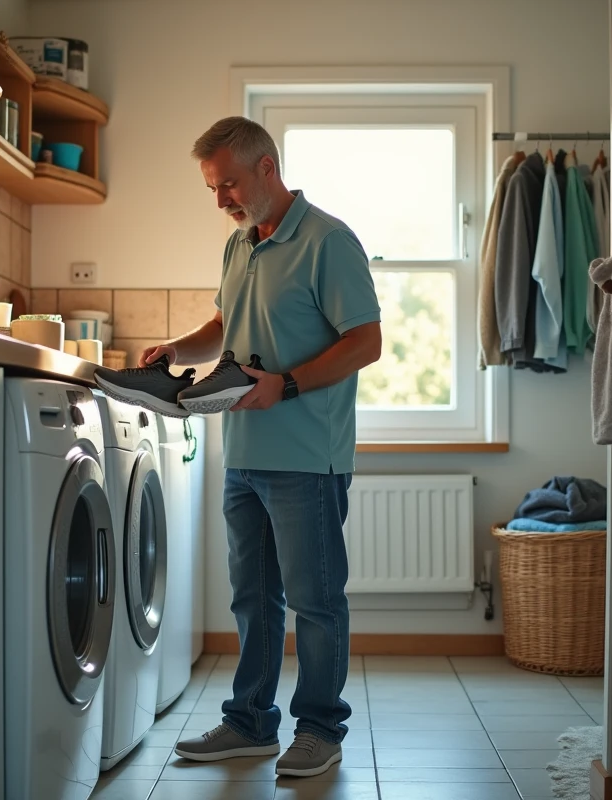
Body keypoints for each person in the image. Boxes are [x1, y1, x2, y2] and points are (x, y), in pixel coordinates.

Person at [140, 116, 381, 778]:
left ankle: (320, 730)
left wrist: (288, 383)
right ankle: (249, 723)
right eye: (213, 189)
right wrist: (176, 348)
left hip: (307, 456)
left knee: (316, 601)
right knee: (252, 597)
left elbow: (366, 342)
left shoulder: (328, 241)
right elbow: (223, 326)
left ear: (267, 167)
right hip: (243, 453)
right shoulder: (240, 244)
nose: (221, 200)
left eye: (228, 185)